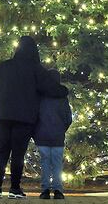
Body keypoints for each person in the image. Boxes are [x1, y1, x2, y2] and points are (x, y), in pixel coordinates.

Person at [0, 36, 68, 199]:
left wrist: (0, 104)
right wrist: (64, 91)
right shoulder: (35, 69)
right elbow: (50, 88)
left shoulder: (3, 66)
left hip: (3, 116)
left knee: (1, 152)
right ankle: (15, 188)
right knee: (18, 153)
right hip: (24, 118)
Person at [34, 69, 71, 200]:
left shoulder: (40, 96)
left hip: (42, 135)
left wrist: (36, 132)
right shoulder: (62, 98)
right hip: (58, 136)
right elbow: (68, 118)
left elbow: (35, 116)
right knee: (57, 164)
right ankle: (58, 191)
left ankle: (45, 191)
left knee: (44, 163)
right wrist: (61, 129)